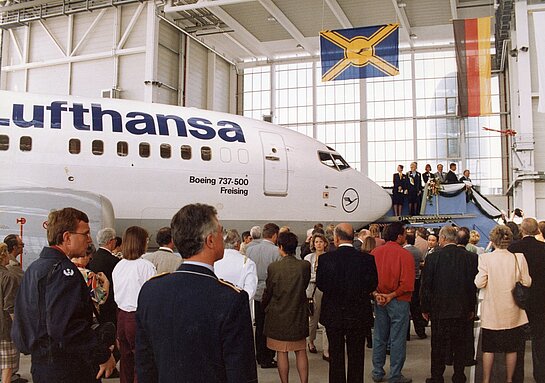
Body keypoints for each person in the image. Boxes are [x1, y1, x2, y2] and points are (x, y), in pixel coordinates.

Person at [135, 203, 257, 382]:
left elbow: (145, 364)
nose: (223, 238)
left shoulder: (150, 291)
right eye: (220, 232)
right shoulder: (231, 299)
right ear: (209, 240)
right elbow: (241, 373)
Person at [11, 208, 116, 382]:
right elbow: (66, 326)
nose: (89, 240)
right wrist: (102, 354)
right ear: (67, 237)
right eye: (85, 234)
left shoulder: (36, 268)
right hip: (67, 367)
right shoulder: (63, 272)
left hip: (42, 363)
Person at [317, 223, 378, 383]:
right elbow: (373, 284)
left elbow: (321, 285)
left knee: (336, 356)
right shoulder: (367, 259)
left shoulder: (325, 259)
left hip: (334, 314)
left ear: (336, 238)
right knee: (357, 356)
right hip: (358, 314)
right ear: (353, 238)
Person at [420, 226, 478, 383]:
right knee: (460, 343)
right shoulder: (471, 258)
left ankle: (437, 376)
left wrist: (425, 308)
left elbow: (426, 286)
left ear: (443, 238)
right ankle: (459, 375)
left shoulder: (432, 258)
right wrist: (472, 308)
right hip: (462, 309)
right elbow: (472, 286)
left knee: (438, 345)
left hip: (439, 309)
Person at [475, 225, 531, 383]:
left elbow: (479, 283)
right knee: (511, 349)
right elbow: (527, 282)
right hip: (513, 313)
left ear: (492, 241)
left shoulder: (485, 258)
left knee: (488, 349)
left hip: (492, 312)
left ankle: (486, 380)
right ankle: (509, 379)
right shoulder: (518, 258)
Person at [263, 232, 311, 383]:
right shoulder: (304, 265)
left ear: (281, 246)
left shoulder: (274, 267)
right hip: (298, 312)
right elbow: (305, 284)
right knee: (301, 350)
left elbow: (269, 291)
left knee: (281, 352)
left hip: (279, 314)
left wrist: (264, 306)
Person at [371, 222, 414, 383]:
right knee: (397, 339)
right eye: (404, 234)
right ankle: (395, 375)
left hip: (379, 299)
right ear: (399, 236)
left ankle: (377, 371)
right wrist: (391, 295)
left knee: (379, 336)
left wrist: (377, 294)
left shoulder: (375, 253)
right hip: (399, 301)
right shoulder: (405, 255)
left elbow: (370, 279)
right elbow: (407, 283)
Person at [112, 226, 156, 383]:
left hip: (121, 317)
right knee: (141, 362)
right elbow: (151, 296)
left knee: (126, 361)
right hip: (137, 318)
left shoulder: (119, 266)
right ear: (141, 242)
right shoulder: (146, 266)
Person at [508, 218, 545, 383]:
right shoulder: (543, 249)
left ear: (521, 231)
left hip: (518, 299)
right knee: (540, 340)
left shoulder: (513, 249)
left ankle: (517, 377)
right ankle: (541, 375)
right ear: (537, 230)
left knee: (518, 340)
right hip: (540, 299)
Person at [246, 222, 281, 369]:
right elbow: (278, 275)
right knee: (270, 327)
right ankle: (268, 357)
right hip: (270, 292)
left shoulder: (250, 250)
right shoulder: (277, 251)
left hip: (256, 290)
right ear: (274, 235)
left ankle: (259, 355)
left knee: (259, 325)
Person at [304, 233, 329, 359]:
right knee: (313, 318)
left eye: (320, 241)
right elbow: (306, 275)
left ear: (325, 243)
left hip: (326, 289)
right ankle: (311, 340)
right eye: (316, 242)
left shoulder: (330, 257)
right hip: (312, 289)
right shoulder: (309, 258)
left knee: (326, 319)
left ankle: (326, 349)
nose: (318, 244)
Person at [88, 228, 120, 325]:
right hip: (110, 303)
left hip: (95, 302)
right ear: (111, 241)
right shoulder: (114, 261)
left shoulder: (93, 258)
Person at [214, 229, 258, 299]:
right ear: (237, 244)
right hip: (238, 305)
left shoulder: (214, 261)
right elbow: (250, 290)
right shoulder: (247, 263)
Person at [0, 244, 20, 383]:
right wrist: (18, 328)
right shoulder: (8, 277)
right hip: (5, 328)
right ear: (3, 255)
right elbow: (10, 307)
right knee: (7, 367)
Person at [72, 244, 110, 316]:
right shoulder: (89, 275)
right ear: (85, 255)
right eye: (90, 258)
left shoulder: (64, 270)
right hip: (87, 315)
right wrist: (106, 282)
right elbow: (100, 298)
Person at [404, 231, 426, 339]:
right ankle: (420, 331)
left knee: (406, 308)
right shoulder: (417, 251)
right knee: (416, 308)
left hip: (407, 281)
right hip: (417, 280)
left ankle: (406, 333)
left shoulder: (404, 251)